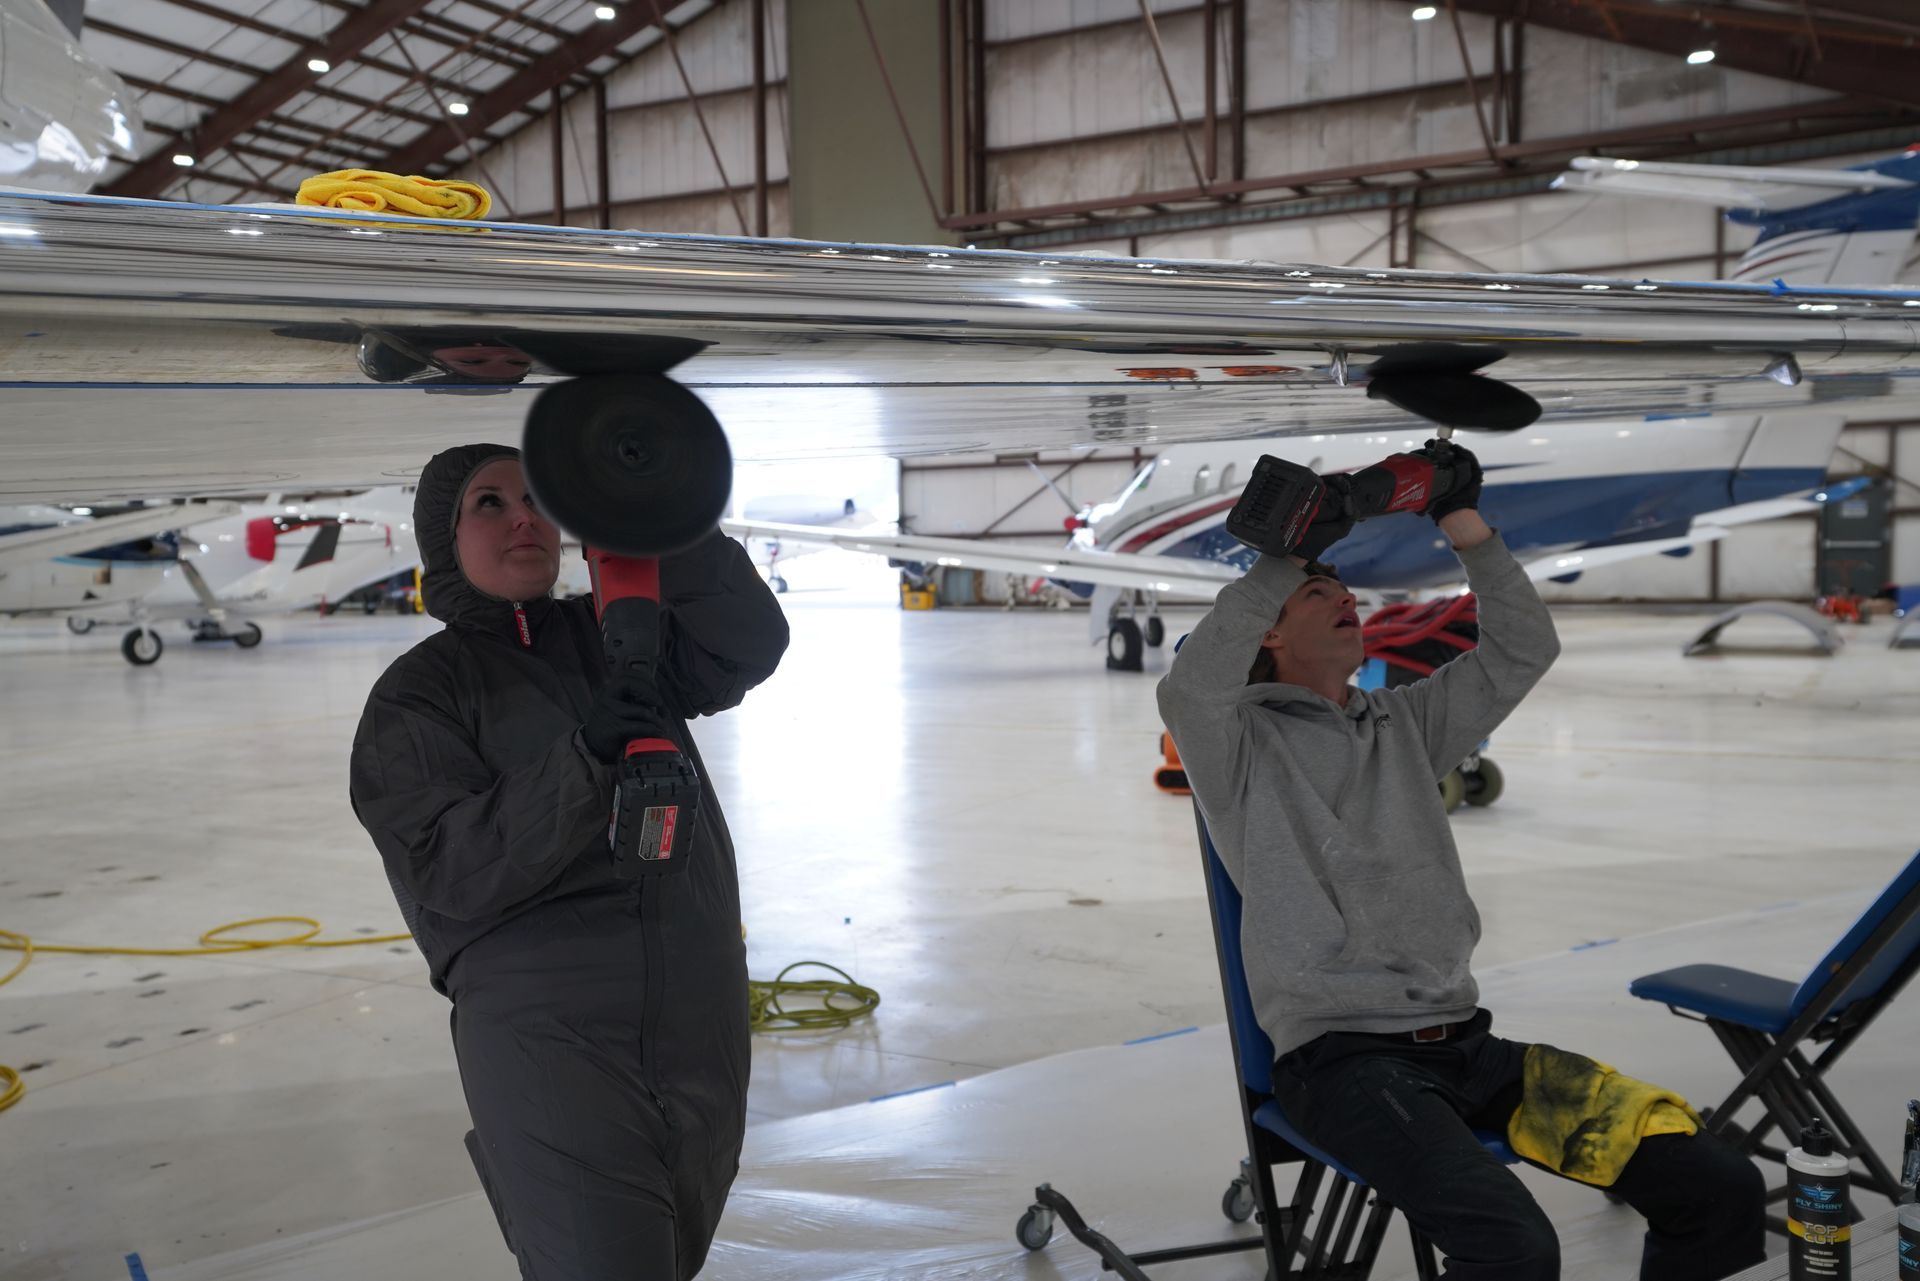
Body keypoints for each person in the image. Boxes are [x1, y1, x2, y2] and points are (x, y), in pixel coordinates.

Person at [1157, 446, 1765, 1281]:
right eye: (1318, 592)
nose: (1345, 598)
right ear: (1268, 628)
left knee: (1720, 1184)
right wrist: (1288, 557)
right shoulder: (1237, 747)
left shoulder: (1405, 724)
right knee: (1513, 1245)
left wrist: (1464, 522)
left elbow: (1523, 648)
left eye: (1346, 591)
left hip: (1469, 1048)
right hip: (1345, 1065)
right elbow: (1188, 689)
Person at [349, 443, 788, 1280]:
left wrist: (657, 522)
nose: (524, 517)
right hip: (555, 1042)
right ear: (443, 539)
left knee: (675, 1255)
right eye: (489, 502)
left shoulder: (617, 633)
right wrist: (586, 758)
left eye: (538, 499)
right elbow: (449, 869)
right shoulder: (420, 694)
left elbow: (747, 645)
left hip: (701, 1026)